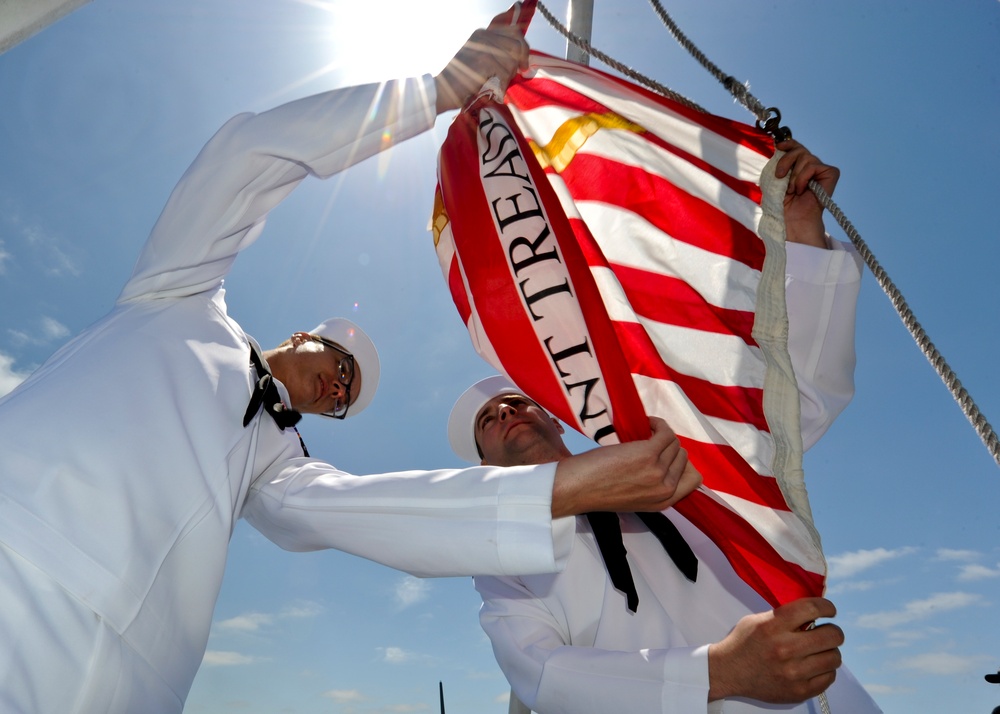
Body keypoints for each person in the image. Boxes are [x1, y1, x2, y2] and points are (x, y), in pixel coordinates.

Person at [0, 13, 693, 714]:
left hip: (133, 685)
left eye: (343, 396)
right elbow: (248, 155)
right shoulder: (177, 296)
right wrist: (432, 93)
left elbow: (373, 513)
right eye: (339, 365)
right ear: (303, 336)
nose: (336, 384)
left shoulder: (275, 465)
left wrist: (558, 490)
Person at [446, 145, 884, 713]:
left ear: (554, 415)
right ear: (483, 462)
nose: (506, 413)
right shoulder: (500, 556)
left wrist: (801, 237)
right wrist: (716, 673)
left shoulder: (656, 453)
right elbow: (542, 675)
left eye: (513, 402)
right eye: (489, 419)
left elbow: (782, 403)